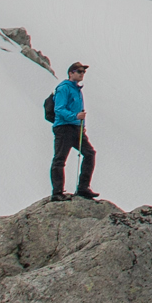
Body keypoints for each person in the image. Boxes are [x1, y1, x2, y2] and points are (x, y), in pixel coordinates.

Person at [50, 62, 99, 201]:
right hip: (64, 127)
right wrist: (75, 117)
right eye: (79, 71)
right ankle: (57, 192)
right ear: (71, 73)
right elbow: (59, 109)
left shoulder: (77, 89)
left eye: (83, 72)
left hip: (75, 127)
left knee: (90, 153)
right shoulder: (64, 88)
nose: (82, 74)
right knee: (60, 159)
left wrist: (80, 124)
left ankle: (83, 187)